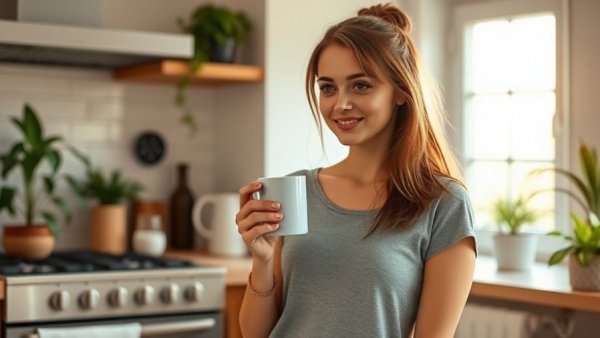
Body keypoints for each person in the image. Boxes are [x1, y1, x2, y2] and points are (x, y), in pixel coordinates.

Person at [235, 3, 477, 337]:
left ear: (401, 93)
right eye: (328, 87)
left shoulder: (443, 203)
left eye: (360, 85)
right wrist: (261, 261)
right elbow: (255, 333)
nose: (340, 104)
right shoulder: (296, 191)